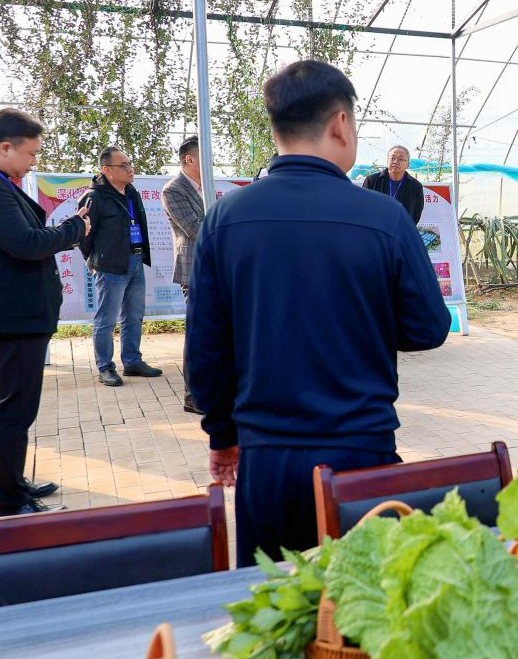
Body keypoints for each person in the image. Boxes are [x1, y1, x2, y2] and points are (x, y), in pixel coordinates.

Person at [187, 60, 450, 565]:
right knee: (358, 618)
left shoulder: (226, 217)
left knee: (274, 613)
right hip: (362, 456)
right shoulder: (385, 218)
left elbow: (206, 350)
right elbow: (429, 327)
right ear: (340, 124)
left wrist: (223, 435)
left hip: (265, 461)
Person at [0, 108, 91, 516]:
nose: (33, 161)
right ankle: (11, 501)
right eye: (30, 154)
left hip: (12, 311)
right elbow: (27, 243)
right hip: (12, 313)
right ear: (6, 148)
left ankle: (4, 481)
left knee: (6, 401)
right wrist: (76, 229)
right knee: (15, 408)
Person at [78, 147, 162, 387]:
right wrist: (97, 260)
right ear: (107, 170)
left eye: (130, 163)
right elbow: (84, 236)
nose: (130, 169)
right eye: (123, 165)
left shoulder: (132, 192)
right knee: (106, 319)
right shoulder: (94, 197)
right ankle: (105, 367)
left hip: (135, 260)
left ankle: (133, 361)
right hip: (110, 265)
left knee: (134, 316)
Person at [162, 136, 206, 414]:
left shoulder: (205, 188)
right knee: (198, 335)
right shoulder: (173, 190)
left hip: (216, 268)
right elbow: (195, 228)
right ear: (189, 159)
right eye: (205, 155)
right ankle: (193, 396)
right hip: (195, 270)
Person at [362, 145, 424, 223]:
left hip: (401, 231)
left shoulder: (415, 186)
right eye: (392, 158)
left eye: (401, 159)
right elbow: (364, 207)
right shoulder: (372, 181)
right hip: (376, 230)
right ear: (387, 161)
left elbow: (416, 214)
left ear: (408, 164)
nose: (395, 162)